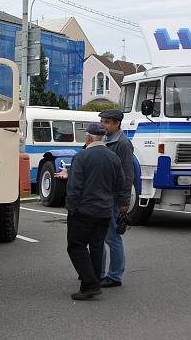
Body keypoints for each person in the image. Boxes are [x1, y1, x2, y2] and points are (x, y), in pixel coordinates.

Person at [65, 123, 130, 300]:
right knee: (96, 246)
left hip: (84, 211)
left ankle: (91, 283)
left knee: (76, 246)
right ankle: (91, 283)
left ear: (87, 138)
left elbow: (74, 187)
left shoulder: (82, 157)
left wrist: (71, 209)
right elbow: (121, 184)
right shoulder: (113, 158)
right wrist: (120, 203)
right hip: (105, 211)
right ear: (102, 138)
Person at [98, 109, 135, 288]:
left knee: (112, 238)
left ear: (117, 124)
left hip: (114, 198)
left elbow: (128, 175)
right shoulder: (106, 140)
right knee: (103, 237)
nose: (103, 125)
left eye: (106, 122)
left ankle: (114, 276)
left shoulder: (123, 144)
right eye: (102, 121)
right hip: (104, 196)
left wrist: (124, 203)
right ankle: (101, 273)